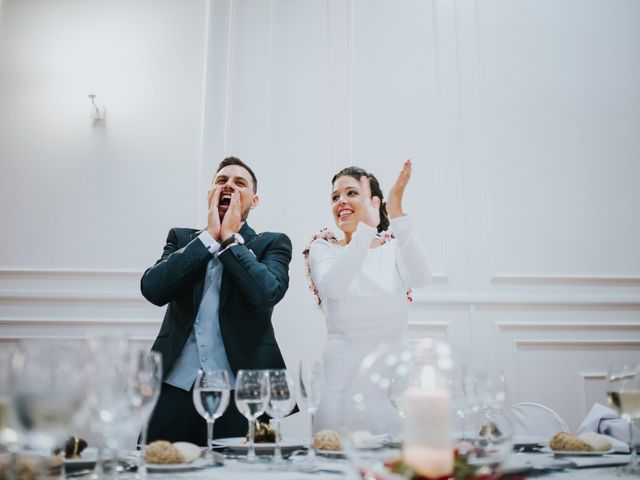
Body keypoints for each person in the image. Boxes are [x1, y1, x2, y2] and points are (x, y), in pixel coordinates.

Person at [142, 156, 292, 445]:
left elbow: (266, 295)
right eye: (221, 181)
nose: (229, 187)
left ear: (254, 200)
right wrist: (209, 238)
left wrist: (230, 240)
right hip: (172, 387)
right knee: (160, 468)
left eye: (240, 183)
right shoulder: (181, 238)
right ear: (210, 193)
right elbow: (153, 289)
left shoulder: (271, 243)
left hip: (244, 394)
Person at [304, 160, 431, 432]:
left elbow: (421, 278)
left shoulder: (393, 248)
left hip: (392, 380)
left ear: (375, 202)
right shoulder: (322, 247)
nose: (341, 201)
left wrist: (397, 215)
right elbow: (333, 288)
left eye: (351, 193)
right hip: (339, 382)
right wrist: (365, 232)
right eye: (335, 197)